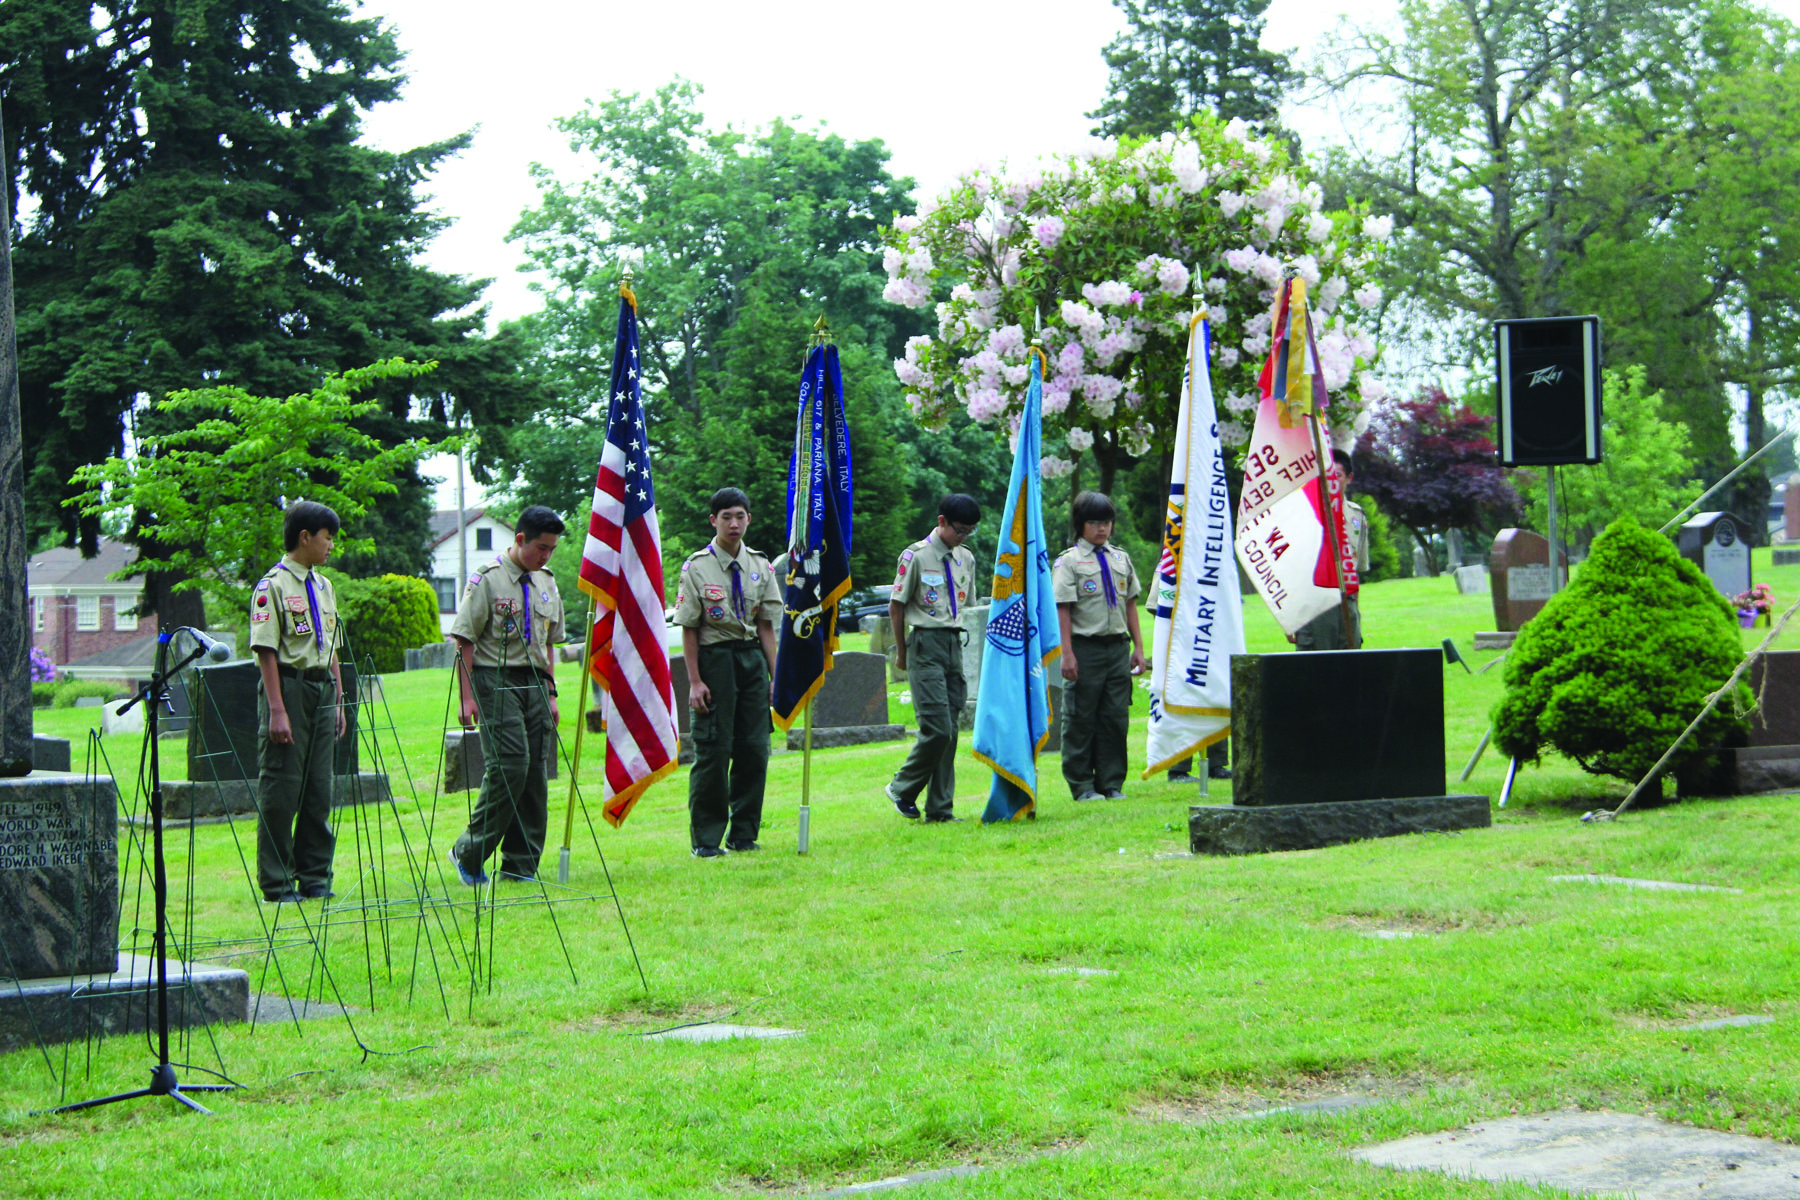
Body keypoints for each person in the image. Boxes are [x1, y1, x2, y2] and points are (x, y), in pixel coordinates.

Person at [448, 506, 567, 885]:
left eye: (552, 549)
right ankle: (468, 851)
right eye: (540, 548)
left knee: (534, 773)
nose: (546, 556)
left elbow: (548, 644)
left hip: (535, 682)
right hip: (494, 678)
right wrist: (466, 698)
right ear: (520, 539)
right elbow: (464, 640)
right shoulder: (488, 579)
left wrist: (551, 693)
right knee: (510, 765)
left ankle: (520, 864)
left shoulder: (546, 581)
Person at [673, 488, 782, 857]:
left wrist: (775, 677)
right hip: (714, 661)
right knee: (714, 751)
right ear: (713, 520)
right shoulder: (697, 567)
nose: (733, 524)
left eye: (739, 516)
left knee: (755, 749)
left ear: (748, 519)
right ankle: (706, 840)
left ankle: (744, 834)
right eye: (726, 517)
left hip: (751, 659)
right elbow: (689, 628)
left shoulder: (761, 566)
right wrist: (694, 681)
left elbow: (766, 626)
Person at [249, 500, 346, 903]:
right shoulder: (272, 586)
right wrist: (277, 709)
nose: (331, 546)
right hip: (289, 688)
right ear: (305, 537)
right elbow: (265, 650)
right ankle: (276, 882)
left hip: (322, 689)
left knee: (319, 788)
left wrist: (339, 699)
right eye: (327, 537)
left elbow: (332, 646)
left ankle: (315, 876)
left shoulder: (324, 587)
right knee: (282, 788)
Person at [885, 494, 980, 823]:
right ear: (942, 522)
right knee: (937, 727)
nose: (963, 537)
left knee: (950, 731)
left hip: (953, 642)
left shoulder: (965, 558)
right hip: (925, 644)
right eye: (959, 530)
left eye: (969, 531)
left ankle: (940, 808)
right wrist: (902, 651)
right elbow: (896, 606)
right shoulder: (916, 555)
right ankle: (901, 787)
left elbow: (966, 604)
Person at [1052, 491, 1147, 801]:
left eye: (1106, 522)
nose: (1102, 528)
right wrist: (1067, 653)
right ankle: (1082, 785)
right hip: (1085, 647)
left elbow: (1130, 604)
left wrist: (1138, 647)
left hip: (1117, 647)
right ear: (1080, 525)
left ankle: (1111, 782)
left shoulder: (1120, 558)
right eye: (1094, 523)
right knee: (1080, 718)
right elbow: (1063, 609)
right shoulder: (1069, 562)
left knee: (1115, 718)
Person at [1292, 449, 1371, 651]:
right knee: (1315, 666)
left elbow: (1355, 570)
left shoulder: (1357, 516)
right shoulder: (1305, 514)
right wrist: (1291, 617)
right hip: (1315, 606)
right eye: (1326, 477)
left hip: (1346, 605)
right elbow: (1292, 569)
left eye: (1337, 476)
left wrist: (1355, 611)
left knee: (1350, 665)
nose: (1331, 483)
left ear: (1349, 478)